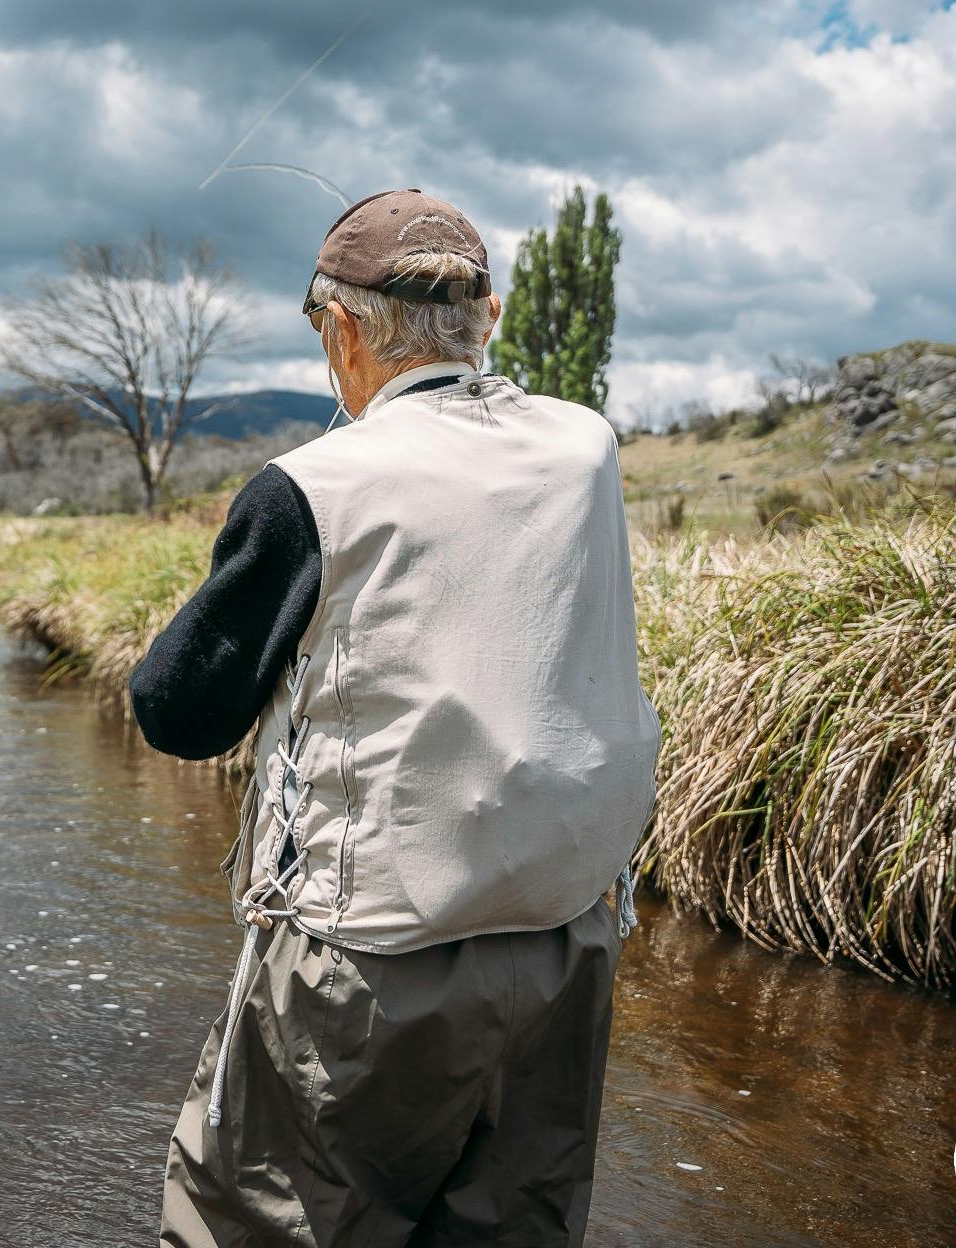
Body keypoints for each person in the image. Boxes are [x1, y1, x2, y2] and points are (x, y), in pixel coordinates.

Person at [131, 188, 662, 1247]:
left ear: (342, 329)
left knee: (258, 1226)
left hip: (367, 958)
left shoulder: (312, 486)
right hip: (568, 942)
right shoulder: (586, 447)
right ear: (488, 318)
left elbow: (177, 714)